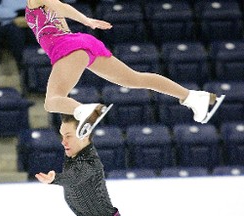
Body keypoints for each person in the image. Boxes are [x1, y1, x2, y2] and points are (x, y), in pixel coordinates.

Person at [25, 0, 225, 139]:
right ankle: (195, 98)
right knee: (135, 79)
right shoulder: (33, 6)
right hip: (83, 44)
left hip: (67, 47)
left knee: (52, 101)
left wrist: (86, 21)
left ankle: (84, 110)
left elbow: (60, 6)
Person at [35, 114, 120, 216]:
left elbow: (75, 177)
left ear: (84, 135)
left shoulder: (90, 162)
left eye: (68, 136)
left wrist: (55, 178)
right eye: (62, 136)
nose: (63, 142)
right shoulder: (73, 155)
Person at [0, 0, 36, 65]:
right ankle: (22, 64)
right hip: (9, 23)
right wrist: (16, 14)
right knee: (16, 34)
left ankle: (38, 62)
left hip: (32, 22)